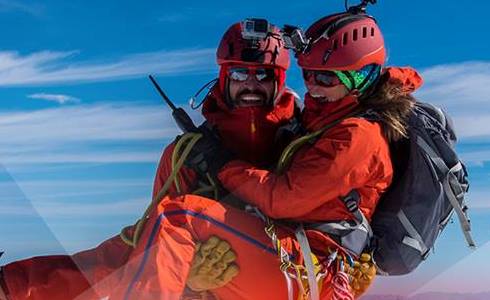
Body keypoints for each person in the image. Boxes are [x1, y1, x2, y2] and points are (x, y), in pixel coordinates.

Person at [0, 19, 298, 300]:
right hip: (220, 288)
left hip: (293, 274)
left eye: (262, 74)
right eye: (238, 73)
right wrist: (192, 286)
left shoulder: (302, 143)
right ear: (223, 77)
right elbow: (150, 247)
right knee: (126, 257)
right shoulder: (187, 156)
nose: (250, 84)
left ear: (279, 81)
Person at [213, 10, 424, 299]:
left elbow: (283, 199)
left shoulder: (356, 135)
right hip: (302, 257)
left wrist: (223, 165)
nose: (311, 85)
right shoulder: (319, 122)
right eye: (308, 74)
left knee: (180, 218)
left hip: (314, 264)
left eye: (325, 77)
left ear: (361, 77)